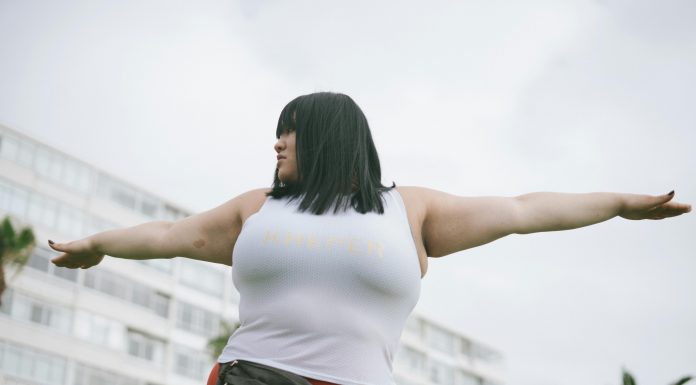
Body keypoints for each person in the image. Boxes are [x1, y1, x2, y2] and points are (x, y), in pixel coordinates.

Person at [48, 92, 691, 385]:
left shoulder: (409, 210)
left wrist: (616, 206)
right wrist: (99, 243)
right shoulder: (255, 209)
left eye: (290, 130)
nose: (276, 142)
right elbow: (168, 234)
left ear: (328, 136)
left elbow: (523, 208)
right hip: (254, 376)